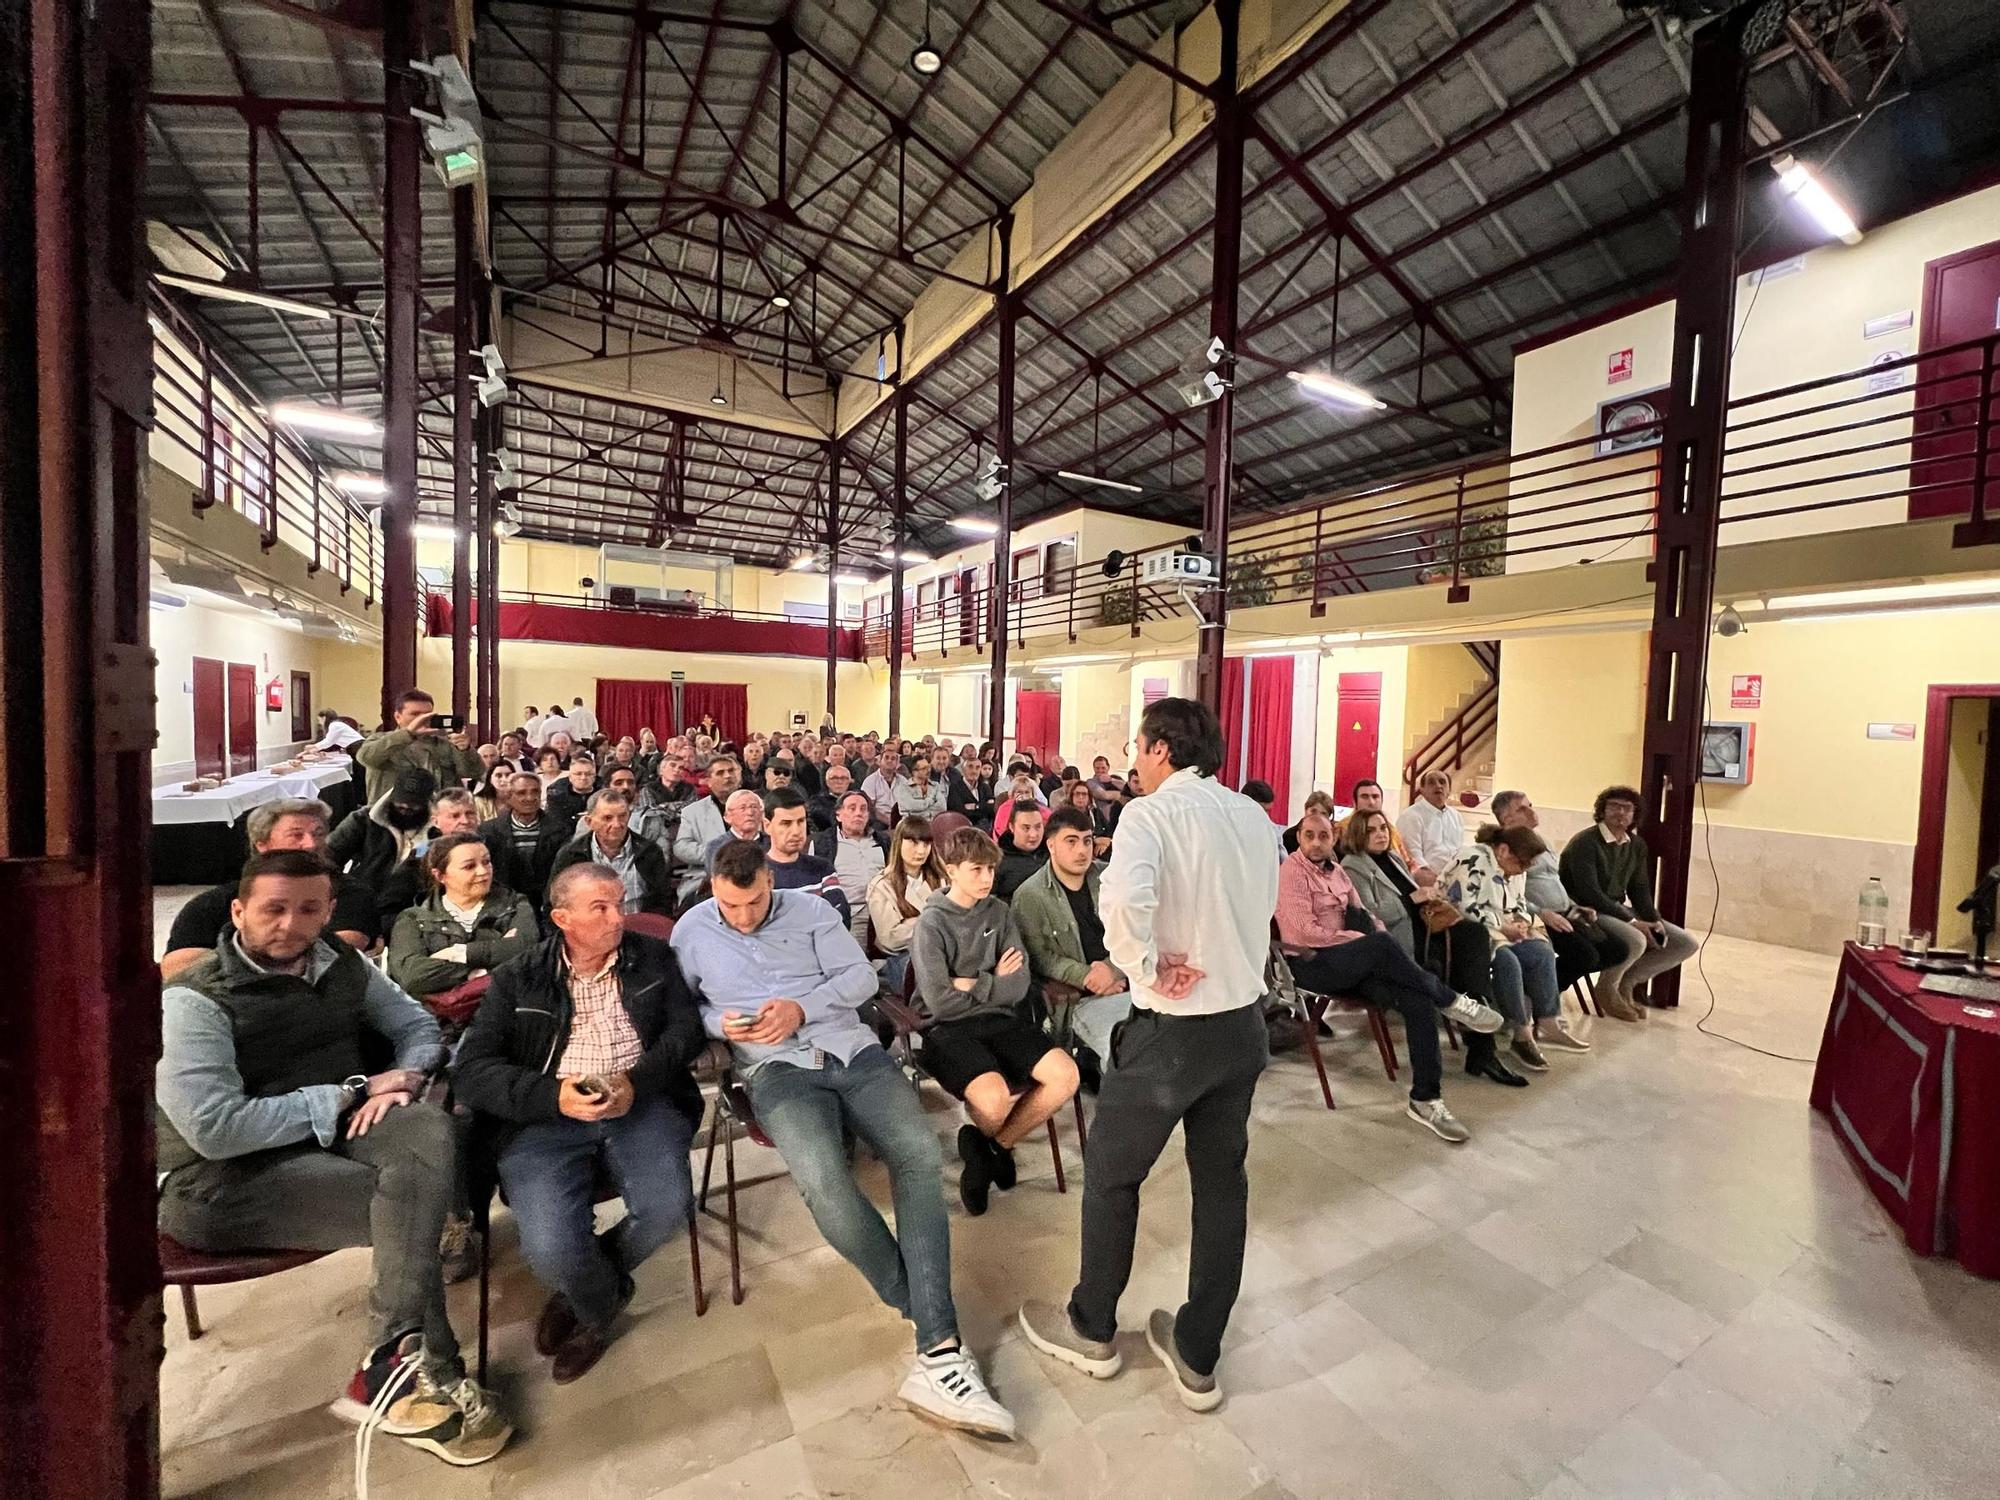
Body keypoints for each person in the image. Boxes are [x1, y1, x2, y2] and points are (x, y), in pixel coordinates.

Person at [155, 849, 512, 1465]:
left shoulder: (340, 963)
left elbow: (417, 1028)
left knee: (425, 1127)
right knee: (411, 1208)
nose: (290, 924)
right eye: (274, 909)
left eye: (308, 909)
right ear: (240, 910)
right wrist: (348, 1092)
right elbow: (216, 1129)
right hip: (219, 1183)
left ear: (327, 914)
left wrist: (404, 1077)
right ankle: (424, 1369)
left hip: (334, 1132)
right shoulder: (197, 997)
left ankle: (386, 1367)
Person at [671, 841, 1016, 1438]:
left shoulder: (809, 912)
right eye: (730, 905)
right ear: (711, 889)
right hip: (774, 1069)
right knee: (824, 1183)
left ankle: (937, 1348)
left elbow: (861, 977)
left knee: (915, 1153)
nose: (744, 917)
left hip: (850, 1050)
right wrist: (716, 1023)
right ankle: (929, 1318)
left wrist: (803, 1008)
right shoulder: (692, 930)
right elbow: (688, 1008)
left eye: (754, 902)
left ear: (770, 884)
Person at [1015, 698, 1278, 1413]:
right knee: (1223, 1184)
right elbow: (1261, 908)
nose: (1133, 758)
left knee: (1110, 1174)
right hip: (1242, 1027)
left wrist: (1144, 966)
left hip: (1175, 1033)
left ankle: (1091, 1325)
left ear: (1161, 749)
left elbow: (1121, 908)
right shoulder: (1254, 817)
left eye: (1138, 744)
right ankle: (1198, 1350)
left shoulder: (1149, 814)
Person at [452, 862, 705, 1383]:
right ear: (562, 918)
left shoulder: (653, 958)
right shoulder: (519, 978)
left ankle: (586, 1306)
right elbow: (472, 1071)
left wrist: (640, 1080)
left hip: (638, 1101)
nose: (619, 918)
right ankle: (600, 1297)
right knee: (549, 1250)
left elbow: (685, 1033)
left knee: (667, 1208)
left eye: (619, 903)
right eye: (601, 908)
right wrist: (553, 1096)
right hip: (547, 1118)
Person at [1277, 810, 1504, 1143]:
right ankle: (1453, 1001)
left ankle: (1425, 1098)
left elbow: (1368, 916)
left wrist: (1371, 937)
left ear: (1333, 839)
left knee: (1417, 999)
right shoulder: (1292, 873)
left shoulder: (1338, 871)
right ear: (1298, 838)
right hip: (1313, 965)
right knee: (1381, 945)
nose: (1315, 842)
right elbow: (1302, 933)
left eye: (1323, 836)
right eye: (1308, 835)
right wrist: (1364, 941)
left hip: (1352, 960)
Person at [911, 828, 1079, 1217]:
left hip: (1002, 1019)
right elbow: (940, 1001)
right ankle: (995, 1146)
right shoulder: (931, 924)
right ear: (951, 870)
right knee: (993, 1096)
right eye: (976, 870)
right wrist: (993, 980)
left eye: (990, 870)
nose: (987, 879)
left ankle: (990, 1147)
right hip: (947, 1028)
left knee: (1065, 1076)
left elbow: (1019, 984)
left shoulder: (999, 913)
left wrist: (972, 982)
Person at [1340, 810, 1525, 1088]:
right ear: (1357, 834)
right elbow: (1368, 913)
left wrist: (1430, 897)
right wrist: (1413, 897)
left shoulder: (1392, 858)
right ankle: (1481, 1047)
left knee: (1474, 934)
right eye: (1371, 830)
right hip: (1399, 942)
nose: (1380, 834)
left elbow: (1413, 893)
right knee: (1463, 970)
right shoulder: (1353, 866)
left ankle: (1480, 1039)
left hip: (1427, 929)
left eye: (1382, 828)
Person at [162, 797, 376, 978]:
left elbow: (341, 951)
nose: (311, 844)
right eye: (296, 835)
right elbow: (176, 967)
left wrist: (229, 958)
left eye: (319, 833)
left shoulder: (351, 893)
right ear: (262, 845)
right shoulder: (215, 902)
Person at [1491, 790, 1646, 1021]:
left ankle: (1541, 990)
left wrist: (1575, 905)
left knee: (1617, 950)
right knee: (1585, 956)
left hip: (1566, 911)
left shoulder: (1542, 841)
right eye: (1522, 809)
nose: (1532, 811)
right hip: (1536, 917)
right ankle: (1538, 1001)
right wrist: (1543, 913)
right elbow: (1508, 894)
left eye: (1530, 804)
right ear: (1506, 819)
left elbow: (1556, 882)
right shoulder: (1504, 849)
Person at [1447, 825, 1584, 1072]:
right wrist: (1503, 926)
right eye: (1522, 864)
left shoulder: (1517, 870)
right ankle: (1521, 1034)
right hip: (1468, 932)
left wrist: (1522, 923)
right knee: (1506, 959)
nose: (1523, 870)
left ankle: (1548, 1022)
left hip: (1502, 929)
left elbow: (1519, 902)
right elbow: (1462, 905)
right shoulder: (1471, 858)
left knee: (1541, 952)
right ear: (1502, 850)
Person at [1010, 806, 1132, 1082]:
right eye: (1071, 841)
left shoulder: (1109, 879)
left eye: (1087, 840)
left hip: (1125, 980)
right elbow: (1040, 957)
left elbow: (1135, 932)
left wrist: (1113, 969)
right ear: (1051, 845)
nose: (1082, 850)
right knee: (1126, 1065)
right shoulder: (1030, 895)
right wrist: (1088, 976)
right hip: (1080, 995)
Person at [1558, 784, 1699, 1009]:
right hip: (1585, 910)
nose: (1620, 813)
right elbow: (1589, 893)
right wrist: (1633, 922)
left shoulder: (1636, 845)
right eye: (1614, 806)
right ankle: (1607, 988)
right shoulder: (1585, 843)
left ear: (1635, 814)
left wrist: (1653, 919)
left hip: (1615, 908)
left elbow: (1639, 888)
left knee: (1684, 943)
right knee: (1636, 938)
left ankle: (1628, 982)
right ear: (1602, 810)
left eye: (1627, 808)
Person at [387, 832, 539, 1003]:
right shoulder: (414, 918)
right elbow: (412, 976)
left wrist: (459, 953)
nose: (483, 871)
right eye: (469, 866)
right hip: (437, 1018)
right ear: (440, 875)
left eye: (486, 862)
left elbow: (528, 952)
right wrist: (476, 972)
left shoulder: (514, 905)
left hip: (505, 1009)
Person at [549, 791, 675, 918]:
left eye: (622, 816)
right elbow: (555, 902)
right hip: (588, 932)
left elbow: (663, 901)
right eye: (607, 818)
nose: (617, 824)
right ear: (589, 822)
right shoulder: (571, 855)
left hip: (640, 929)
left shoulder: (650, 851)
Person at [326, 766, 437, 907]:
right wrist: (344, 890)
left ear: (428, 803)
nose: (405, 807)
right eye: (400, 803)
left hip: (416, 905)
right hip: (365, 899)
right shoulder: (363, 820)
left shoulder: (439, 830)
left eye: (413, 806)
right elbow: (329, 856)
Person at [375, 787, 484, 924]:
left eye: (470, 814)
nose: (465, 821)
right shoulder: (420, 857)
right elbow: (389, 909)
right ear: (435, 821)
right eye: (455, 816)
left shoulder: (494, 844)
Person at [355, 689, 480, 806]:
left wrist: (464, 750)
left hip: (439, 813)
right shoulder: (380, 739)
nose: (421, 719)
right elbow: (366, 757)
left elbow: (472, 772)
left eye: (427, 715)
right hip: (392, 814)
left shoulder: (445, 743)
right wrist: (408, 733)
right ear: (398, 717)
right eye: (415, 714)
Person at [866, 817, 942, 993]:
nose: (921, 851)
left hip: (941, 951)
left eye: (926, 844)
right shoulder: (881, 885)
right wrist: (933, 922)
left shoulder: (942, 878)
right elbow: (890, 939)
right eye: (913, 843)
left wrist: (911, 922)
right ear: (899, 842)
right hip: (900, 959)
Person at [478, 772, 571, 907]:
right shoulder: (489, 831)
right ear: (509, 797)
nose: (530, 797)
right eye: (521, 793)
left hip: (547, 902)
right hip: (503, 903)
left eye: (535, 792)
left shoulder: (561, 829)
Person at [762, 786, 850, 922]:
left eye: (801, 821)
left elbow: (841, 918)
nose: (796, 831)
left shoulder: (822, 868)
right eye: (786, 824)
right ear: (767, 826)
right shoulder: (756, 873)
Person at [816, 789, 888, 946]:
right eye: (852, 808)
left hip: (884, 912)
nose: (858, 813)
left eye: (863, 809)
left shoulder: (883, 841)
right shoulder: (822, 843)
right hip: (849, 914)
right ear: (838, 815)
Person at [672, 753, 740, 904]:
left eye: (731, 771)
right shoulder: (693, 811)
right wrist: (717, 854)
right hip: (705, 878)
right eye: (720, 773)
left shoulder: (755, 806)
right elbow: (681, 847)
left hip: (748, 874)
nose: (727, 776)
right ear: (708, 781)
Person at [1396, 769, 1465, 876]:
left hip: (1455, 876)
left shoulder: (1456, 816)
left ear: (1449, 790)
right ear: (1422, 790)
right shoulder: (1410, 816)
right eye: (1431, 782)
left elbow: (1459, 850)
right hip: (1425, 878)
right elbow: (1413, 856)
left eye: (1442, 782)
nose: (1438, 786)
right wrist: (1432, 879)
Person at [994, 800, 1048, 900]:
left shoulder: (1053, 852)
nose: (1033, 834)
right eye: (1026, 828)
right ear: (1012, 827)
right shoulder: (998, 861)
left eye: (1038, 827)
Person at [704, 788, 769, 867]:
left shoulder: (772, 844)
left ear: (762, 814)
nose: (750, 812)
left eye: (754, 807)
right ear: (728, 817)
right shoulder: (717, 846)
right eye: (742, 808)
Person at [1062, 777, 1114, 857]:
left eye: (1084, 794)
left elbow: (1108, 831)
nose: (1081, 797)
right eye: (1077, 794)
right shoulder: (1065, 815)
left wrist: (1105, 843)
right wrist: (1095, 841)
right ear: (1071, 796)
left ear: (1089, 798)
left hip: (1100, 849)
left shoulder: (1095, 812)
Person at [545, 752, 597, 826]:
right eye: (578, 774)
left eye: (588, 774)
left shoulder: (603, 794)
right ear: (570, 777)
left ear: (594, 776)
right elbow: (554, 824)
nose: (583, 778)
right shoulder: (557, 796)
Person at [1282, 789, 1337, 855]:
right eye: (1313, 811)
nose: (1317, 816)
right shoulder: (1289, 836)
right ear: (1305, 810)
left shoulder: (1334, 840)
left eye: (1323, 813)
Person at [1240, 779, 1286, 859]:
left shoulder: (1272, 830)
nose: (1265, 816)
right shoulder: (1230, 826)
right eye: (1262, 810)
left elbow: (1282, 861)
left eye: (1267, 811)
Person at [808, 761, 857, 832]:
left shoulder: (858, 799)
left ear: (849, 781)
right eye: (834, 778)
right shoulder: (817, 801)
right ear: (827, 782)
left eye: (843, 778)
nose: (839, 782)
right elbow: (831, 820)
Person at [895, 753, 948, 819]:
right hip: (911, 825)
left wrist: (918, 812)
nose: (928, 770)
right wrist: (931, 801)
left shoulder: (935, 786)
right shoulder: (904, 787)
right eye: (924, 768)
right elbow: (911, 806)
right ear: (914, 772)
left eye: (928, 767)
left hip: (933, 824)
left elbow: (942, 807)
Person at [860, 747, 905, 825]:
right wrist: (889, 821)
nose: (889, 761)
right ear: (880, 761)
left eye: (893, 758)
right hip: (878, 821)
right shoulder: (870, 781)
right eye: (886, 758)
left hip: (901, 820)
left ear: (897, 764)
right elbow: (869, 808)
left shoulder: (903, 781)